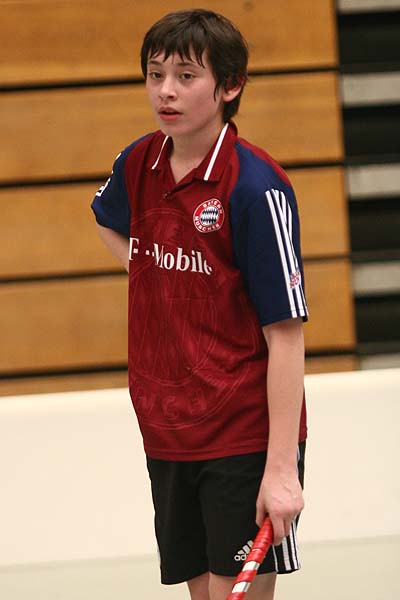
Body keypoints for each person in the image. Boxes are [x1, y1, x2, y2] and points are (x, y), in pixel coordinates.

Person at [91, 8, 308, 600]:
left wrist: (281, 469)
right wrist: (154, 275)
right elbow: (106, 220)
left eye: (186, 76)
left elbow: (286, 335)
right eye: (155, 73)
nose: (166, 90)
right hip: (167, 429)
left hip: (242, 433)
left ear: (229, 86)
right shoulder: (138, 162)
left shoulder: (256, 187)